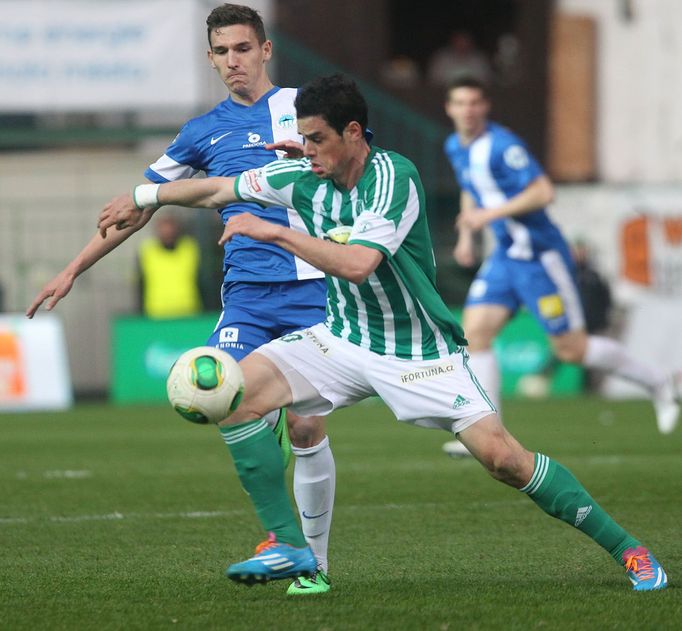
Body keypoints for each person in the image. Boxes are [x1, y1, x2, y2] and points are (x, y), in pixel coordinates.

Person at [96, 73, 668, 592]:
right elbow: (217, 189)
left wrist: (273, 235)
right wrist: (144, 196)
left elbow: (357, 264)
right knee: (237, 396)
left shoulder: (394, 177)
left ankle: (631, 551)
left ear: (352, 133)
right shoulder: (299, 173)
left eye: (316, 139)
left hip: (418, 354)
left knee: (504, 460)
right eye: (302, 137)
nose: (306, 150)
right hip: (340, 339)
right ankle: (295, 552)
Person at [26, 4, 335, 596]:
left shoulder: (304, 110)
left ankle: (314, 566)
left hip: (313, 290)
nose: (232, 62)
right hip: (246, 297)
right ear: (211, 57)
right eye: (221, 52)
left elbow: (354, 162)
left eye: (243, 49)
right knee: (222, 394)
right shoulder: (202, 131)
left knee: (304, 425)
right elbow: (138, 208)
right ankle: (284, 541)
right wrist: (72, 269)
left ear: (266, 50)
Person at [443, 76, 680, 436]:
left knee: (572, 350)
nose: (468, 110)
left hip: (540, 258)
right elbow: (469, 187)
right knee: (475, 333)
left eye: (474, 103)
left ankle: (658, 381)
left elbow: (543, 191)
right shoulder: (455, 145)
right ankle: (490, 433)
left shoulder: (502, 146)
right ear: (450, 108)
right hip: (506, 258)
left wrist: (488, 217)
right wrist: (466, 235)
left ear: (485, 107)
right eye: (460, 103)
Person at [137, 213, 202, 318]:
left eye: (171, 229)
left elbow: (201, 280)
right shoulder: (147, 251)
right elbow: (140, 284)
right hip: (156, 313)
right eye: (164, 229)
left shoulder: (189, 248)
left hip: (188, 311)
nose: (168, 233)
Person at [427, 31, 492, 88]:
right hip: (444, 93)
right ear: (453, 42)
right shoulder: (441, 58)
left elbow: (486, 80)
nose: (462, 44)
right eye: (459, 41)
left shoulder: (479, 59)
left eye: (465, 41)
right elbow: (434, 80)